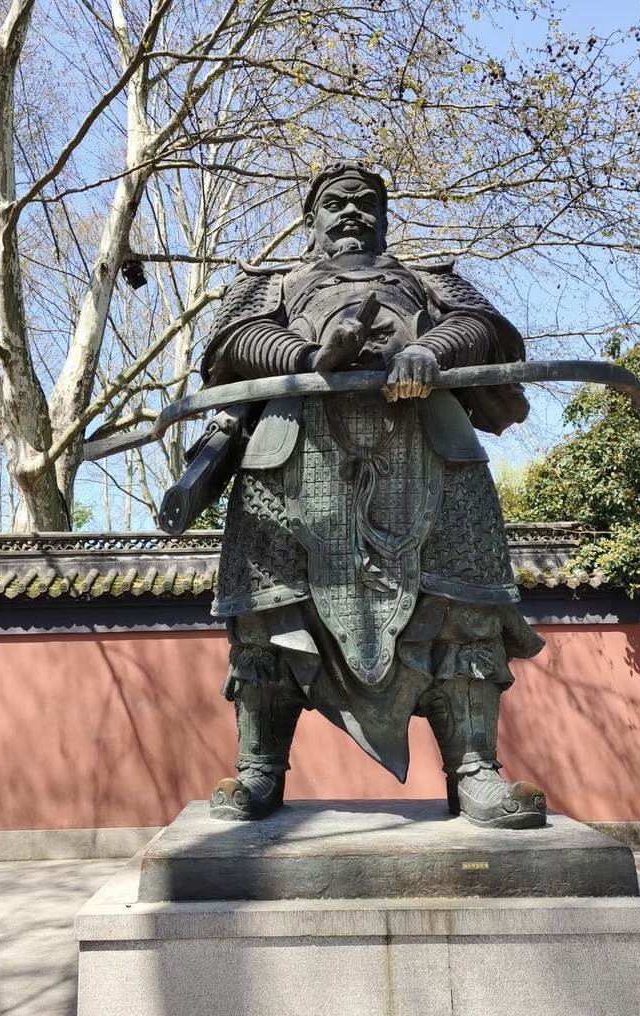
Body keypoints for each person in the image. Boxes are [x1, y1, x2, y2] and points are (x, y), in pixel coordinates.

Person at [197, 160, 546, 829]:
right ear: (311, 219)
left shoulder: (429, 278)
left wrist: (431, 351)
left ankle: (474, 768)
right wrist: (309, 357)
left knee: (462, 604)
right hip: (293, 455)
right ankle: (260, 766)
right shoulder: (271, 284)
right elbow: (232, 344)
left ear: (384, 217)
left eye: (365, 202)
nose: (351, 211)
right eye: (336, 202)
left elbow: (484, 327)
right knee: (269, 607)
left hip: (429, 449)